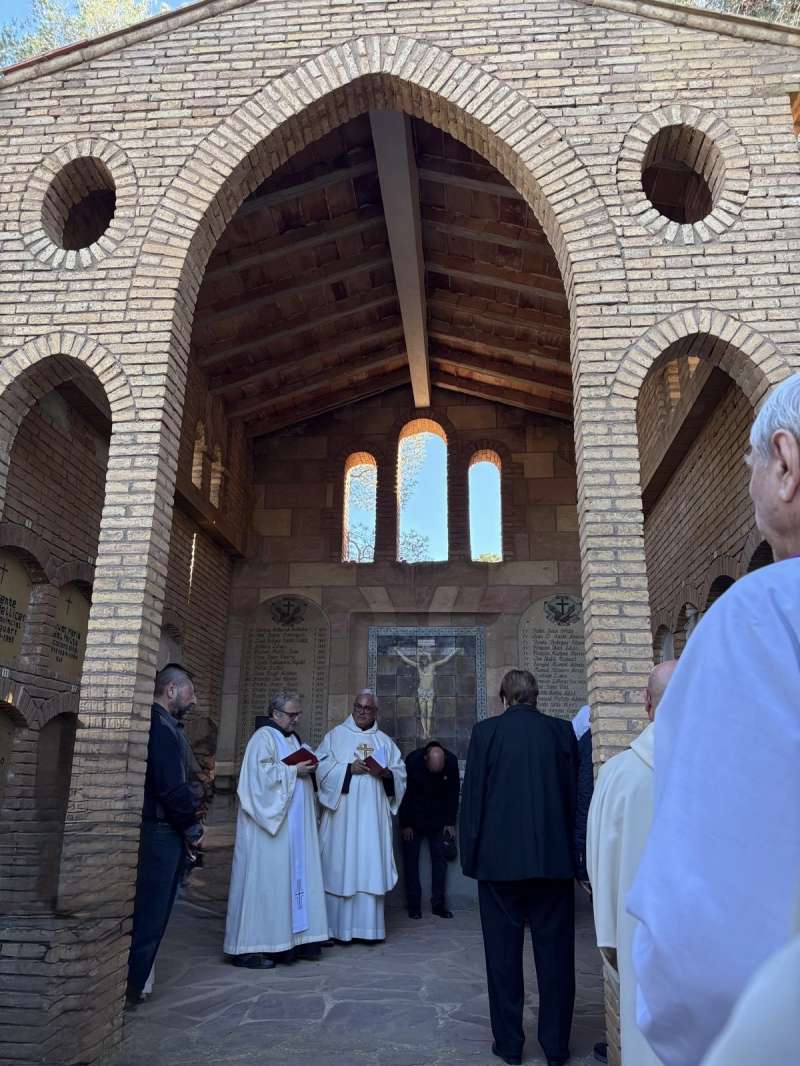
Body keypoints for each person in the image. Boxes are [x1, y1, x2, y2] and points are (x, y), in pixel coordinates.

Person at [628, 372, 800, 1066]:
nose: (752, 483)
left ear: (786, 465)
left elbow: (708, 941)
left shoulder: (761, 618)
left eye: (752, 465)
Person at [460, 668, 578, 1066]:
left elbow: (473, 798)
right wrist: (576, 858)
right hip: (553, 862)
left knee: (502, 958)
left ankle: (509, 1045)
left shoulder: (486, 733)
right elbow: (573, 796)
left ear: (503, 697)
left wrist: (471, 857)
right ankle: (557, 1047)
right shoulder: (562, 732)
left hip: (499, 865)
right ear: (536, 695)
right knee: (557, 958)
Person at [587, 660, 678, 1066]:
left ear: (646, 702)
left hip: (641, 941)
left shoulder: (619, 775)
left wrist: (609, 940)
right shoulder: (730, 769)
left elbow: (599, 863)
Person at [223, 692, 328, 968]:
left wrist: (311, 767)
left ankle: (292, 941)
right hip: (268, 831)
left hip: (292, 830)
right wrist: (294, 772)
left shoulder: (292, 740)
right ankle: (251, 947)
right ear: (275, 714)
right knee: (265, 885)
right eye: (292, 714)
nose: (296, 719)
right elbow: (256, 780)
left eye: (298, 714)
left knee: (290, 883)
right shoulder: (262, 739)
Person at [127, 664, 204, 1001]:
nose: (196, 700)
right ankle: (129, 987)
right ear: (171, 690)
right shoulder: (159, 727)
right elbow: (169, 786)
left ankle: (134, 982)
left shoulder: (168, 725)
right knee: (151, 913)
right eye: (190, 691)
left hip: (166, 827)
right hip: (161, 830)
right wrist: (191, 828)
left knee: (155, 912)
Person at [315, 690, 406, 942]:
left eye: (368, 708)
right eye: (358, 707)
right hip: (342, 818)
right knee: (339, 865)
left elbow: (401, 774)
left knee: (368, 865)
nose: (362, 711)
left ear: (376, 712)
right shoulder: (335, 736)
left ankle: (369, 930)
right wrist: (348, 769)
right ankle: (335, 929)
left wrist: (387, 774)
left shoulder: (384, 742)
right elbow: (320, 768)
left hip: (372, 820)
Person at [399, 740, 460, 919]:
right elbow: (404, 794)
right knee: (411, 863)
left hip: (438, 819)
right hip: (414, 819)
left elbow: (453, 792)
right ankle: (414, 906)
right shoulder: (412, 761)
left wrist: (450, 822)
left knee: (440, 862)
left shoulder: (451, 762)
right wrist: (405, 824)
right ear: (425, 759)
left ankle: (439, 904)